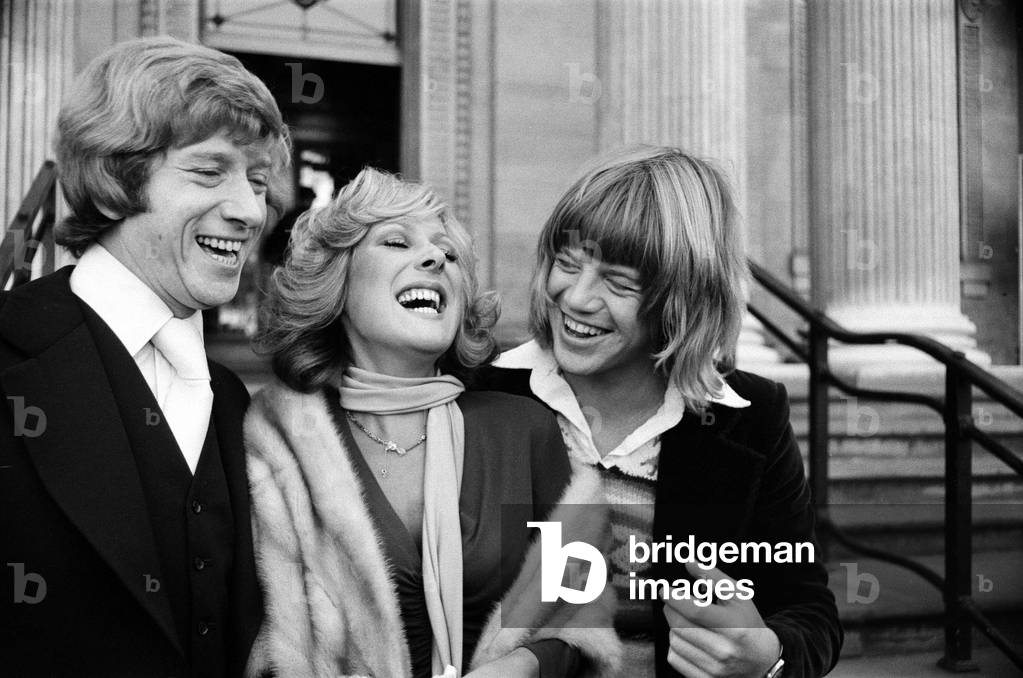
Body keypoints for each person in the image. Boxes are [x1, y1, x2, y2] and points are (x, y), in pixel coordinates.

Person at [477, 146, 842, 678]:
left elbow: (808, 610)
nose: (576, 298)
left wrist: (769, 657)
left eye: (619, 283)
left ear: (684, 299)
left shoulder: (751, 417)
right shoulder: (483, 391)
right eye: (567, 263)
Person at [245, 168, 621, 678]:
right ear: (337, 280)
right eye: (396, 242)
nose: (434, 259)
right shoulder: (277, 438)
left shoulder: (521, 428)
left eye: (447, 254)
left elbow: (580, 606)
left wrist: (523, 666)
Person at [0, 37, 290, 677]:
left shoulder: (236, 401)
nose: (249, 209)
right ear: (112, 183)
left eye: (259, 180)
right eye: (209, 171)